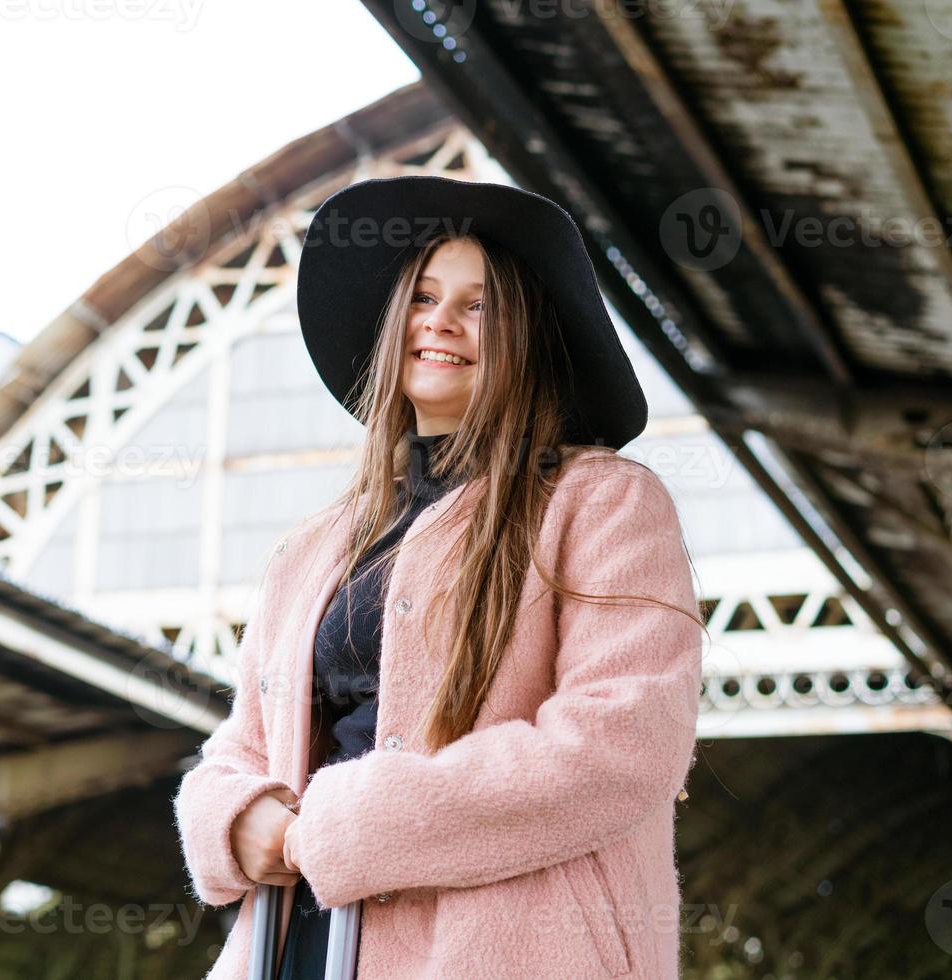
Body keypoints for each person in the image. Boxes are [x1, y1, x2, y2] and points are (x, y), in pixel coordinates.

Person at [173, 175, 708, 979]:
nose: (441, 322)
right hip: (299, 945)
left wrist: (348, 823)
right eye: (423, 296)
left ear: (524, 335)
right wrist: (232, 818)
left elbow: (619, 742)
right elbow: (240, 745)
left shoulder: (602, 502)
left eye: (479, 304)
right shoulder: (311, 550)